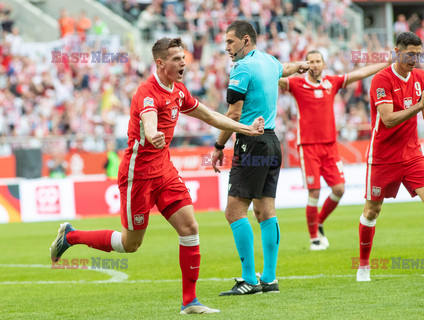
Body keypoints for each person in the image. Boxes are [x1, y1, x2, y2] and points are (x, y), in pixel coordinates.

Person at [50, 37, 266, 314]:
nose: (183, 62)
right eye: (177, 59)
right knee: (131, 244)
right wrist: (152, 135)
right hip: (137, 175)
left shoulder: (178, 91)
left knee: (189, 228)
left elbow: (209, 116)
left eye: (183, 57)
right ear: (161, 63)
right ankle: (71, 236)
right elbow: (149, 121)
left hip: (163, 170)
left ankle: (190, 302)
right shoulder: (146, 93)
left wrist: (245, 128)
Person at [356, 32, 424, 281]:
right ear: (397, 51)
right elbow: (388, 119)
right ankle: (363, 266)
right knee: (372, 210)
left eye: (418, 54)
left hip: (412, 153)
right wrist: (419, 105)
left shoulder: (421, 77)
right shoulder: (381, 79)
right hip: (383, 156)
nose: (415, 58)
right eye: (410, 53)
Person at [211, 20, 308, 295]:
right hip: (272, 142)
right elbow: (284, 69)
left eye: (230, 42)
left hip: (251, 143)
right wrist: (299, 65)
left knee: (234, 211)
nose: (226, 48)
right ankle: (269, 279)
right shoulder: (269, 61)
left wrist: (218, 145)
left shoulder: (242, 68)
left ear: (245, 40)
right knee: (265, 210)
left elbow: (233, 114)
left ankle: (249, 280)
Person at [278, 51, 391, 250]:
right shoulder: (297, 84)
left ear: (323, 63)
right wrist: (295, 66)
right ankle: (314, 238)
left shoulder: (332, 82)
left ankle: (319, 221)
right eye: (310, 61)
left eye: (317, 61)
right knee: (314, 192)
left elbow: (359, 73)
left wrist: (385, 64)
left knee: (339, 189)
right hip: (308, 146)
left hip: (330, 146)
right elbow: (275, 74)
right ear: (307, 64)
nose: (314, 64)